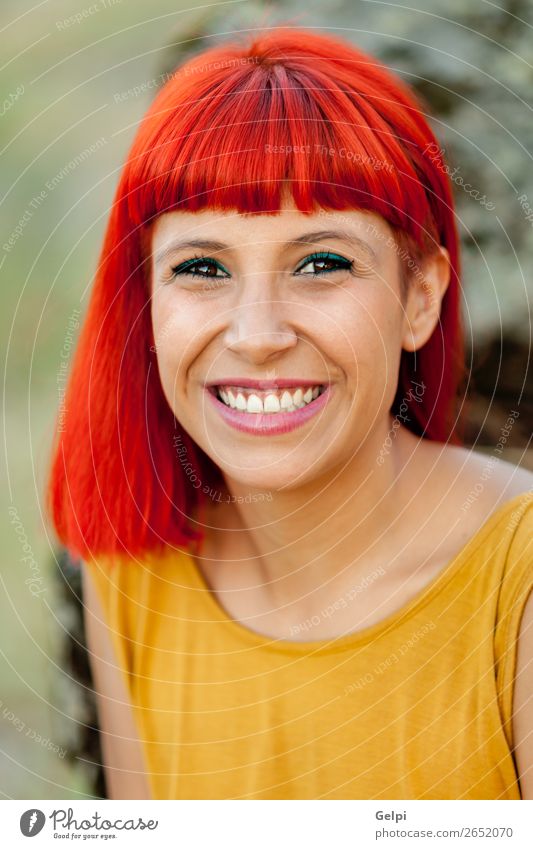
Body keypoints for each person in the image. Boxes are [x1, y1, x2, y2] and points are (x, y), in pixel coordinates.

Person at [47, 27, 533, 800]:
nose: (258, 336)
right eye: (201, 268)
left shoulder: (518, 586)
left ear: (419, 297)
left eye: (321, 263)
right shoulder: (130, 571)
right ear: (142, 300)